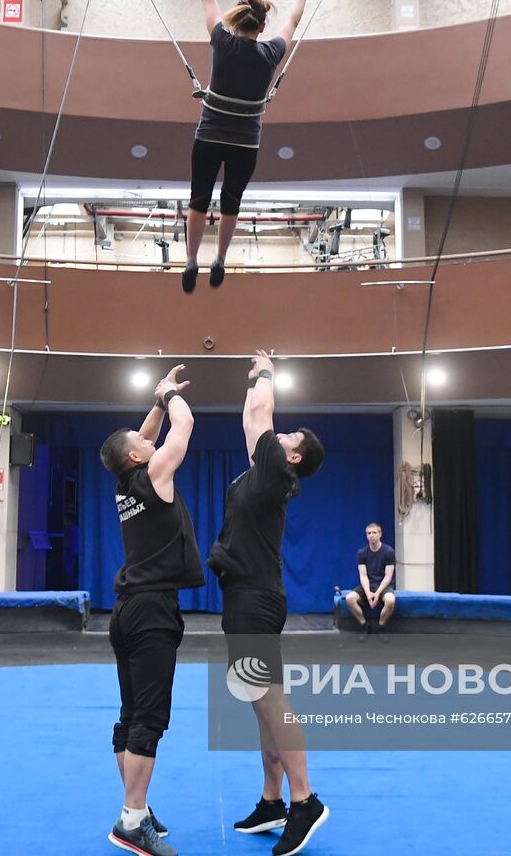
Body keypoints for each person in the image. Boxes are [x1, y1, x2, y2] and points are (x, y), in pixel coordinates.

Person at [208, 350, 328, 856]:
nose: (280, 436)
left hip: (256, 597)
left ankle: (305, 801)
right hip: (245, 594)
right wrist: (257, 382)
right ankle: (272, 800)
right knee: (259, 703)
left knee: (270, 700)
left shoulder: (276, 469)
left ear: (294, 456)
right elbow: (251, 419)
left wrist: (266, 371)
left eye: (289, 437)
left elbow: (257, 413)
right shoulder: (261, 471)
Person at [99, 364, 203, 856]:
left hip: (126, 611)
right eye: (144, 445)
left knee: (130, 713)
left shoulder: (125, 485)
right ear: (138, 458)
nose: (150, 443)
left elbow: (144, 435)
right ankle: (131, 820)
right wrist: (167, 396)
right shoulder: (154, 474)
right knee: (150, 719)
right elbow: (184, 429)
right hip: (153, 610)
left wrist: (158, 402)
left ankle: (133, 807)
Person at [181, 0, 317, 293]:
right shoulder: (271, 53)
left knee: (198, 200)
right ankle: (220, 260)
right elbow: (293, 21)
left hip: (209, 136)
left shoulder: (222, 43)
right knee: (231, 204)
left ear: (236, 19)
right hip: (245, 144)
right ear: (261, 27)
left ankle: (191, 260)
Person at [345, 522, 396, 641]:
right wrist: (368, 593)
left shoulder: (388, 552)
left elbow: (388, 576)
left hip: (383, 585)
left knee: (390, 600)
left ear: (380, 534)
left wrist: (377, 594)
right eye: (369, 533)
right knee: (349, 599)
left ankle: (381, 626)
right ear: (366, 535)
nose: (371, 535)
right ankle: (364, 625)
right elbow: (363, 576)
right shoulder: (362, 553)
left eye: (374, 533)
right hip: (368, 585)